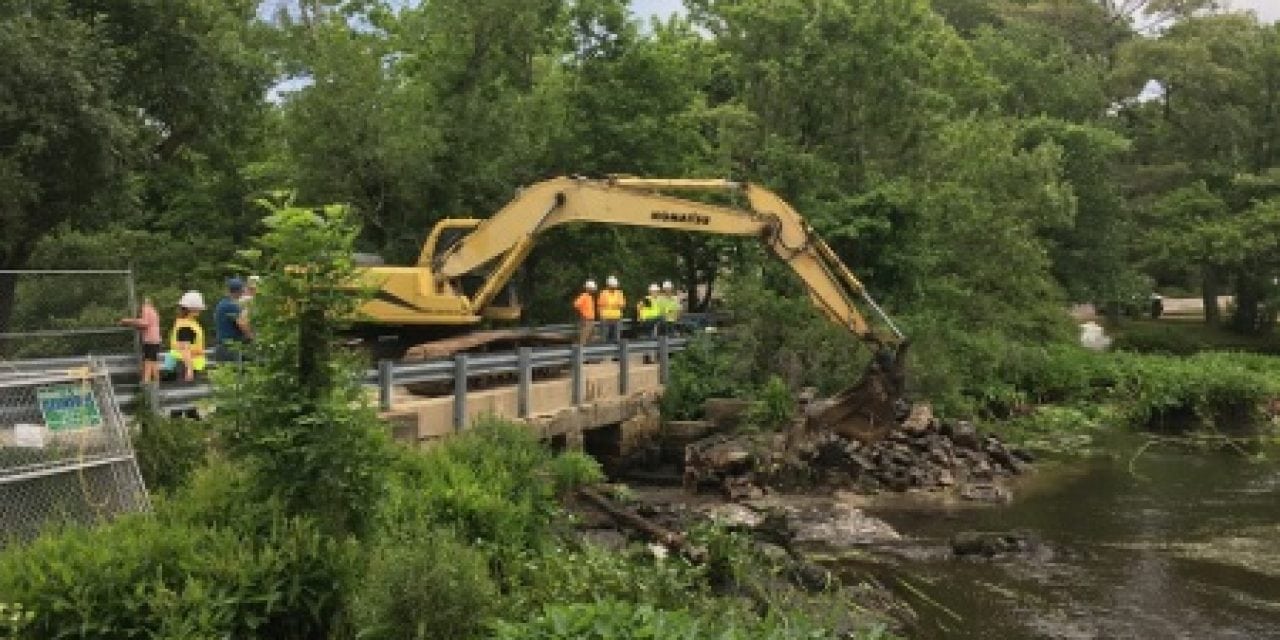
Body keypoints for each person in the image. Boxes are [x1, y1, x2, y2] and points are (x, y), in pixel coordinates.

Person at [167, 291, 207, 383]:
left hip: (188, 363)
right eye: (199, 307)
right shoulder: (186, 325)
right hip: (186, 364)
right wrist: (189, 369)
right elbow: (185, 347)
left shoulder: (188, 322)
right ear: (191, 308)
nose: (200, 310)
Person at [119, 297, 162, 383]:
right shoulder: (153, 311)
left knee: (148, 361)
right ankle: (157, 383)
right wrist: (135, 324)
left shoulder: (146, 309)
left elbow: (145, 323)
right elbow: (147, 324)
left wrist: (128, 321)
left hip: (150, 339)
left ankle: (146, 383)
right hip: (156, 339)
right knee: (153, 361)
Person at [214, 277, 253, 363]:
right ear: (239, 292)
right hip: (230, 348)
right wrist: (251, 337)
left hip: (221, 346)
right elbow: (242, 324)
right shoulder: (232, 306)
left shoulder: (222, 303)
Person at [597, 275, 626, 343]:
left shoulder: (619, 293)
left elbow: (622, 305)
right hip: (605, 318)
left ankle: (615, 352)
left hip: (617, 317)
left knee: (616, 337)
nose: (613, 287)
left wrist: (615, 306)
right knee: (604, 337)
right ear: (608, 285)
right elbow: (600, 305)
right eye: (611, 286)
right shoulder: (603, 293)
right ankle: (604, 350)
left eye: (614, 286)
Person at [574, 279, 598, 345]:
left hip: (590, 320)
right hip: (586, 320)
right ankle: (580, 351)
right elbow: (576, 304)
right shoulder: (584, 296)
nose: (593, 290)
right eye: (592, 289)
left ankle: (587, 351)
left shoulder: (590, 297)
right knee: (584, 337)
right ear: (588, 289)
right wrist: (583, 314)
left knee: (591, 336)